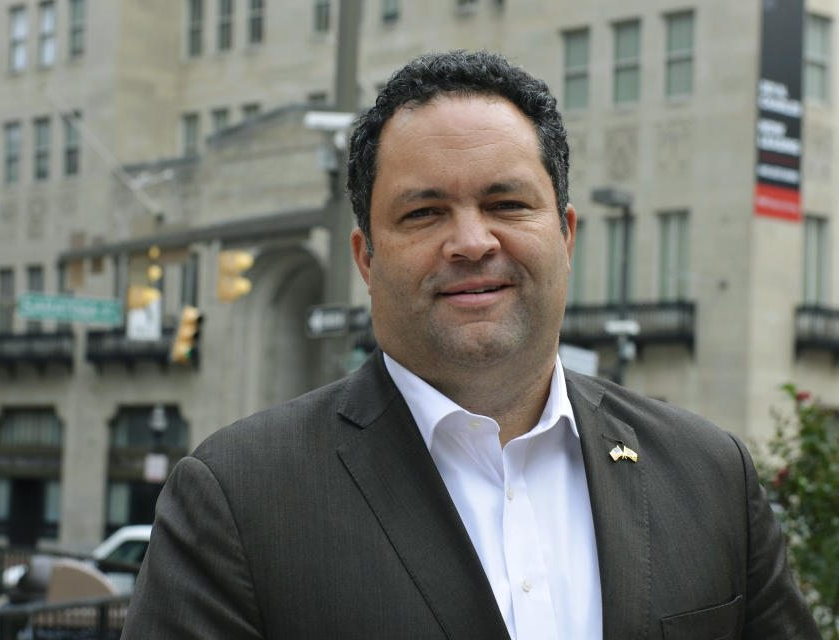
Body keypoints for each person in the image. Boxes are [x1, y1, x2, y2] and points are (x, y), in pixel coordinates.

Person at [121, 50, 818, 640]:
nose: (472, 242)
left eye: (506, 204)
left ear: (566, 235)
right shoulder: (237, 501)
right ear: (367, 258)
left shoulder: (710, 476)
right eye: (424, 213)